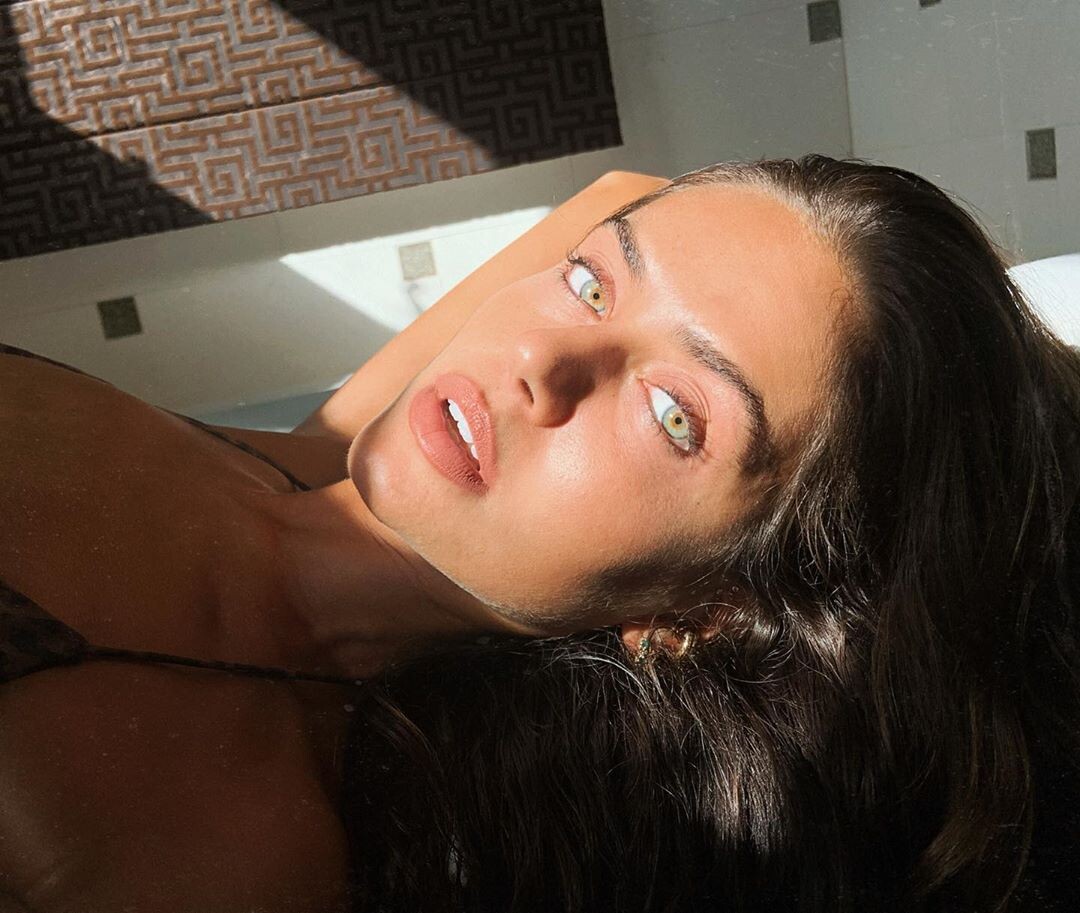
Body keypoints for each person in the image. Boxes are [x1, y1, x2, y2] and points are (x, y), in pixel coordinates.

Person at [1, 154, 1077, 913]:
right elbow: (625, 192)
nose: (540, 362)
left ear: (705, 611)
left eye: (674, 415)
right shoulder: (313, 458)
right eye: (591, 280)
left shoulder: (210, 861)